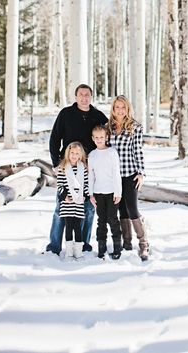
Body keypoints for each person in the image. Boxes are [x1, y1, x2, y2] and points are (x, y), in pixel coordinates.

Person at [46, 84, 108, 255]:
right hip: (67, 166)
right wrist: (56, 162)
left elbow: (108, 136)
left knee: (87, 208)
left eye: (87, 94)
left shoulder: (98, 116)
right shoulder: (66, 114)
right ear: (76, 96)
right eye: (81, 94)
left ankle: (84, 244)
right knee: (62, 207)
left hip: (88, 168)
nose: (84, 97)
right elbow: (54, 139)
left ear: (91, 97)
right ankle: (54, 246)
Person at [107, 95, 149, 261]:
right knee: (120, 209)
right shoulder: (108, 127)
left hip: (130, 173)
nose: (120, 110)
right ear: (113, 109)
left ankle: (144, 244)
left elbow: (138, 151)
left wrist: (141, 173)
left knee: (132, 208)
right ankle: (126, 242)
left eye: (123, 107)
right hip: (113, 176)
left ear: (128, 109)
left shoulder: (135, 127)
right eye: (117, 107)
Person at [88, 125, 122, 259]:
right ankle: (101, 248)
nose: (99, 140)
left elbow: (116, 173)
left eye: (101, 137)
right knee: (101, 221)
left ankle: (117, 248)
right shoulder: (92, 155)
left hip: (112, 192)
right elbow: (91, 176)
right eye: (96, 138)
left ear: (106, 137)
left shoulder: (112, 152)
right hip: (98, 193)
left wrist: (118, 192)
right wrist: (91, 194)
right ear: (93, 138)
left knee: (113, 220)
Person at [57, 142, 89, 259]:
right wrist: (64, 196)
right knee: (69, 227)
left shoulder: (83, 168)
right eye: (72, 153)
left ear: (80, 155)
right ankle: (69, 252)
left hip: (79, 202)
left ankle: (78, 252)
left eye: (77, 154)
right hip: (67, 203)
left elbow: (86, 184)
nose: (74, 156)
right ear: (68, 153)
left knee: (78, 227)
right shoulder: (63, 167)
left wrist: (85, 195)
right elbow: (60, 185)